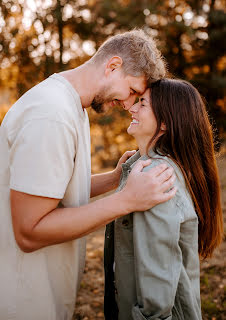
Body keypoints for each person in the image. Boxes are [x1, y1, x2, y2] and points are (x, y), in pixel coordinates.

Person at [0, 30, 177, 320]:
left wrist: (114, 177)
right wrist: (126, 201)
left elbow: (55, 189)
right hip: (22, 300)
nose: (129, 104)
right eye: (132, 90)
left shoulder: (71, 105)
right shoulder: (51, 114)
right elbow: (28, 231)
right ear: (112, 66)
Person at [104, 79, 223, 320]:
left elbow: (157, 293)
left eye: (143, 104)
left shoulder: (155, 177)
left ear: (166, 122)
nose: (132, 108)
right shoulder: (146, 168)